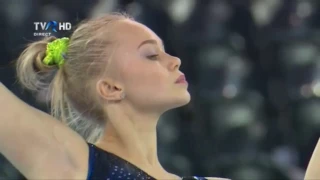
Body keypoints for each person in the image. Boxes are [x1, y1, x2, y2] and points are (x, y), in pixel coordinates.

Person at [0, 13, 228, 180]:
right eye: (151, 55)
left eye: (164, 50)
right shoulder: (71, 164)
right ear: (111, 88)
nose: (175, 60)